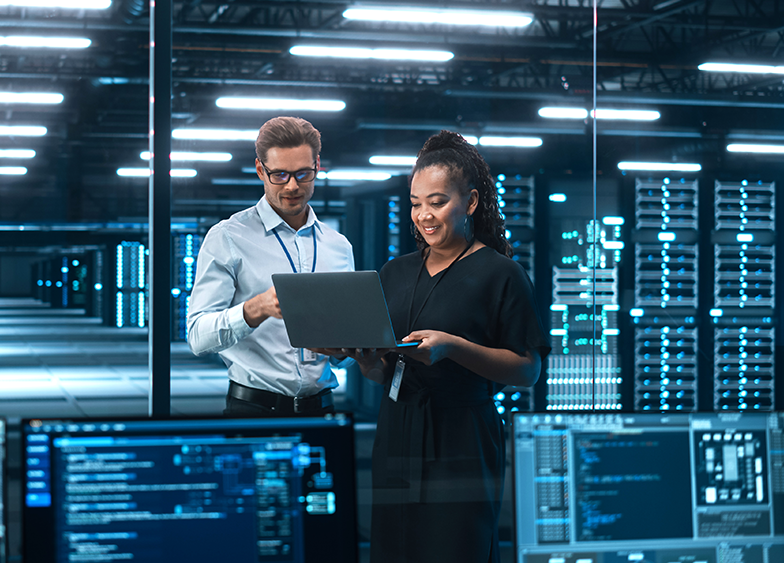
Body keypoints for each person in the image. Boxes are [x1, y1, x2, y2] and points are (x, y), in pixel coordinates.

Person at [345, 130, 549, 562]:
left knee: (456, 550)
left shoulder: (502, 274)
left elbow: (527, 370)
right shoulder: (394, 273)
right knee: (393, 550)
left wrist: (453, 347)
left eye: (437, 202)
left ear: (471, 202)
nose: (424, 215)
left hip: (463, 438)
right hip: (398, 430)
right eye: (416, 203)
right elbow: (387, 367)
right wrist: (368, 364)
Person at [186, 116, 355, 416]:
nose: (292, 186)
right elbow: (198, 336)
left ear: (317, 165)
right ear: (260, 170)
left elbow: (345, 352)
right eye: (280, 175)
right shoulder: (228, 237)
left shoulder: (338, 246)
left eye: (303, 174)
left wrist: (349, 348)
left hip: (322, 410)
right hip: (254, 410)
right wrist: (256, 309)